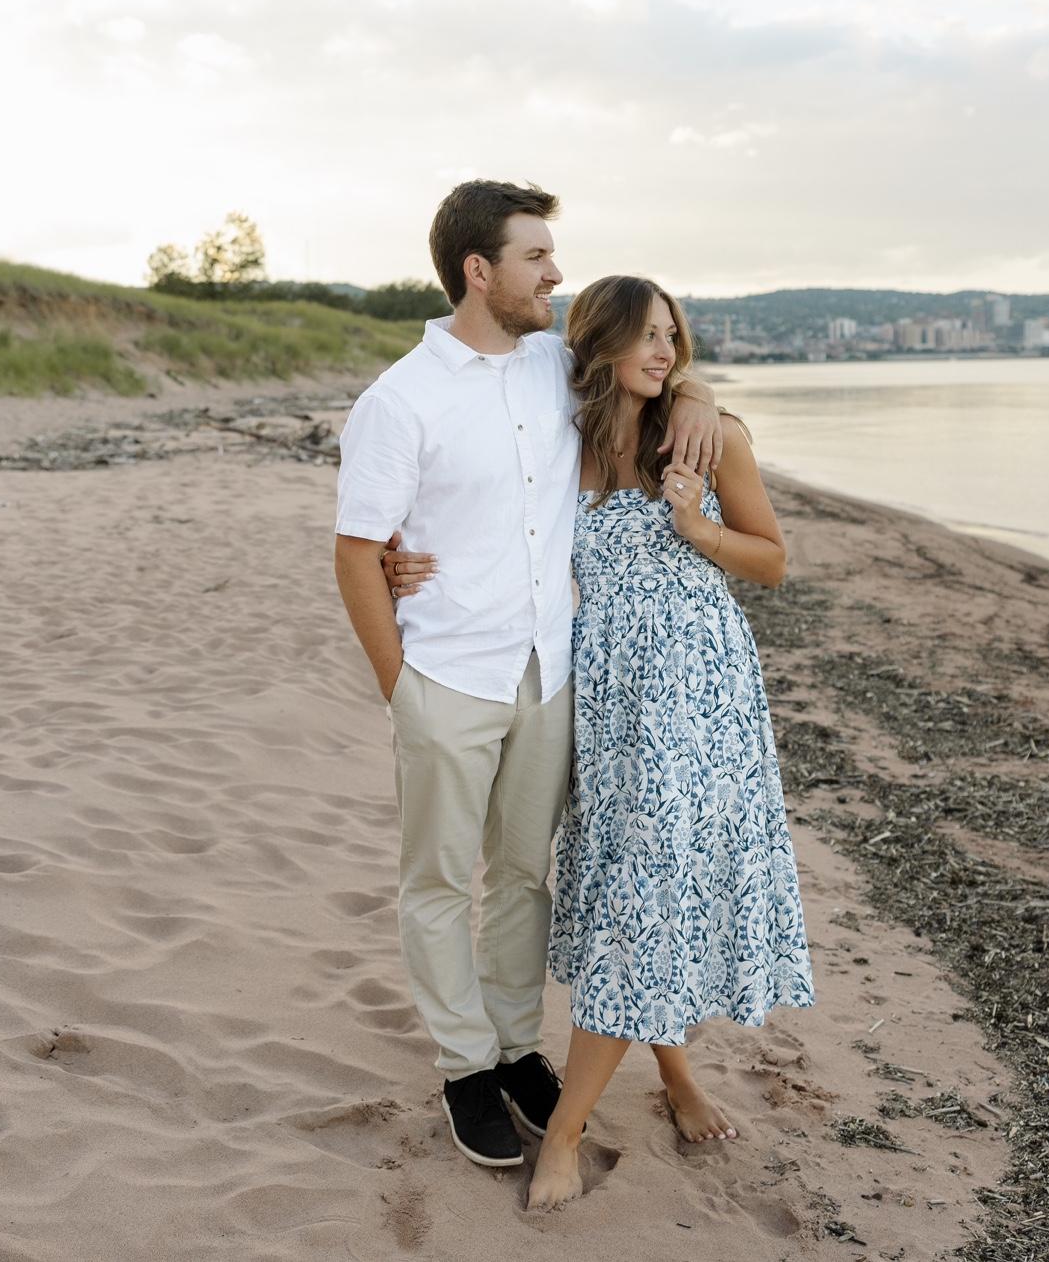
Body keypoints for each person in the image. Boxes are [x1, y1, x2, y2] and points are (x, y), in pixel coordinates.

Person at [333, 183, 722, 1171]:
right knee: (436, 879)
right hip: (446, 675)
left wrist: (699, 396)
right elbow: (357, 552)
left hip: (549, 669)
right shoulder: (399, 401)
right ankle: (464, 1065)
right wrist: (400, 687)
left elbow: (656, 370)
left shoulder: (560, 365)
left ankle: (514, 1048)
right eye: (535, 257)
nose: (555, 273)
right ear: (479, 271)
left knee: (520, 876)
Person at [525, 275, 815, 1210]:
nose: (666, 352)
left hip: (699, 700)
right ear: (600, 343)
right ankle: (678, 1074)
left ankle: (565, 1133)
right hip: (610, 703)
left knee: (648, 894)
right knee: (638, 893)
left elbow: (772, 560)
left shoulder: (708, 435)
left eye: (673, 337)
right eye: (647, 336)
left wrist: (693, 525)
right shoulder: (559, 441)